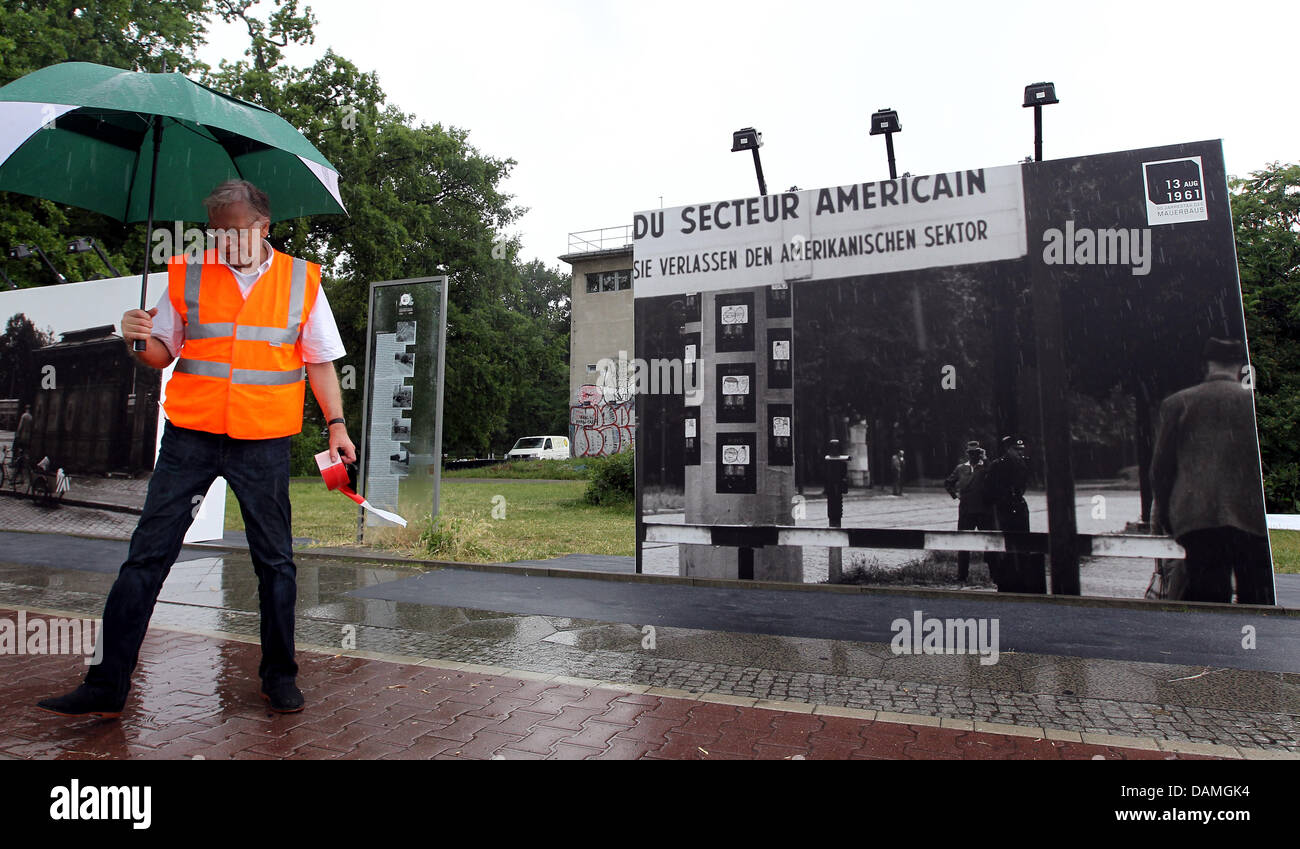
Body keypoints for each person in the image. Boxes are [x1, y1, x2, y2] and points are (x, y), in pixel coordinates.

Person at [38, 179, 355, 718]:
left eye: (232, 231)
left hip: (264, 441)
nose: (222, 241)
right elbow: (162, 355)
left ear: (262, 226)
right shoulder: (188, 273)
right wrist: (136, 338)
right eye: (215, 232)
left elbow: (319, 360)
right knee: (146, 556)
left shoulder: (302, 280)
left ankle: (280, 676)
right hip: (191, 436)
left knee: (275, 562)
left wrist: (337, 425)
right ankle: (105, 684)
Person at [1150, 338, 1274, 605]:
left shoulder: (1178, 403)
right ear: (1241, 365)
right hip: (1251, 516)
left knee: (1208, 595)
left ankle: (1211, 643)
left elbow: (1161, 470)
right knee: (1257, 594)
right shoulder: (1254, 404)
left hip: (1197, 515)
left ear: (1206, 364)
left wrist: (1165, 515)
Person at [984, 436, 1046, 593]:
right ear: (1007, 449)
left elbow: (1023, 485)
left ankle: (1020, 577)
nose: (1019, 453)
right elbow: (989, 490)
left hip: (1018, 508)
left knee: (1022, 545)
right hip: (1003, 509)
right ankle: (1003, 580)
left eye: (1021, 449)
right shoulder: (998, 465)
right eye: (1016, 450)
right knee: (1003, 546)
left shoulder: (1023, 464)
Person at [945, 440, 993, 582]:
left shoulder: (985, 467)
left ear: (980, 453)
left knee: (989, 542)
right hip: (966, 510)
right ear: (967, 454)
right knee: (963, 543)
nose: (974, 456)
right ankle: (962, 575)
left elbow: (994, 476)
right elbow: (948, 482)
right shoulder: (961, 468)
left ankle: (993, 573)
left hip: (983, 510)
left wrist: (985, 459)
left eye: (976, 453)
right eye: (971, 453)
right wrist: (955, 495)